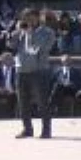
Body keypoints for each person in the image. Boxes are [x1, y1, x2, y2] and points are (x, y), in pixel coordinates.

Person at [13, 9, 55, 139]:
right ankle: (27, 129)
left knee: (42, 101)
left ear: (38, 18)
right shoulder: (21, 31)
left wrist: (30, 34)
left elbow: (40, 49)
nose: (27, 21)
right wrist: (16, 33)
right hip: (21, 70)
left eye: (30, 18)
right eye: (25, 18)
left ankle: (46, 130)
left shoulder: (47, 32)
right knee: (23, 102)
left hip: (39, 70)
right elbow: (11, 46)